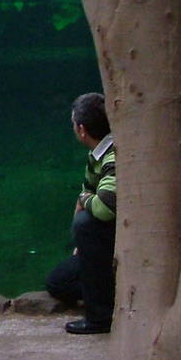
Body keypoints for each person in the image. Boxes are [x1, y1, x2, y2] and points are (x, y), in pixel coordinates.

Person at [46, 92, 117, 334]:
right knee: (58, 282)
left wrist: (83, 199)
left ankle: (101, 317)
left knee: (85, 223)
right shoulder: (96, 154)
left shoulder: (114, 155)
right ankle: (112, 290)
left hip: (118, 239)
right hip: (104, 245)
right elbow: (90, 190)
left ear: (82, 130)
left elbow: (105, 208)